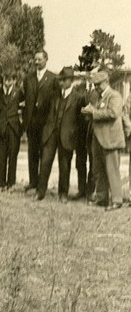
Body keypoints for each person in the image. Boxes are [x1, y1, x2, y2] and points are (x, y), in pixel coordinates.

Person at [34, 67, 86, 202]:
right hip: (50, 134)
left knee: (64, 166)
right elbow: (43, 112)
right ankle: (40, 192)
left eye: (63, 80)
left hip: (66, 137)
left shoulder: (78, 97)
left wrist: (74, 133)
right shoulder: (53, 95)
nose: (60, 83)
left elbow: (80, 120)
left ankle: (63, 194)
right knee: (45, 162)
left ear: (71, 81)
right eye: (60, 80)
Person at [82, 71, 125, 211]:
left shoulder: (115, 96)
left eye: (98, 85)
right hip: (97, 138)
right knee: (98, 170)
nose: (95, 88)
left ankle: (117, 200)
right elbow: (97, 112)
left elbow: (113, 113)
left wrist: (93, 112)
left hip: (111, 139)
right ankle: (102, 198)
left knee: (112, 170)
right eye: (94, 85)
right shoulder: (97, 97)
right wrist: (88, 112)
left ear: (106, 82)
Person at [23, 50, 60, 192]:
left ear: (46, 59)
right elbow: (27, 100)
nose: (36, 62)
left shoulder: (53, 78)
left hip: (46, 123)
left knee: (44, 155)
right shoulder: (28, 78)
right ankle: (33, 182)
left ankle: (41, 184)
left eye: (39, 59)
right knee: (32, 154)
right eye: (35, 59)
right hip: (32, 123)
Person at [0, 68, 24, 191]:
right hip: (2, 127)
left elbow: (23, 107)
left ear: (14, 81)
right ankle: (0, 183)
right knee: (1, 157)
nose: (7, 83)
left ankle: (11, 183)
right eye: (5, 80)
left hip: (13, 128)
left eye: (9, 80)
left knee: (13, 156)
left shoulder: (18, 93)